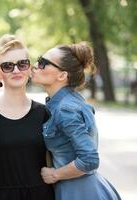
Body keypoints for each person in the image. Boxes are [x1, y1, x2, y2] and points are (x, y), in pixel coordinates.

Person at [31, 42, 122, 200]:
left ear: (62, 75)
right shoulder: (66, 101)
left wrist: (54, 174)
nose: (36, 65)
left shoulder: (66, 109)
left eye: (44, 63)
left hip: (80, 192)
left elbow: (89, 160)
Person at [0, 34, 55, 200]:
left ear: (30, 67)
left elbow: (53, 162)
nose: (16, 70)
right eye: (8, 66)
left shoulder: (45, 113)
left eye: (22, 64)